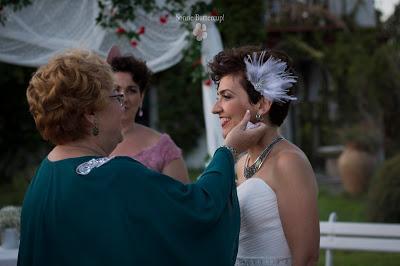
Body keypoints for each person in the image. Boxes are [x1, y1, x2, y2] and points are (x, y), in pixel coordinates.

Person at [17, 48, 268, 266]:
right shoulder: (114, 176)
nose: (122, 105)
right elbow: (198, 210)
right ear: (90, 115)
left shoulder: (45, 174)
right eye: (115, 97)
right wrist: (229, 151)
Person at [209, 46, 320, 266]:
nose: (215, 108)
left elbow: (306, 258)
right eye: (217, 97)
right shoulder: (241, 164)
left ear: (262, 103)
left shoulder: (289, 162)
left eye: (226, 97)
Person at [108, 50, 190, 184]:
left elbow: (183, 200)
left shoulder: (162, 147)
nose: (123, 97)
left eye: (131, 90)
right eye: (116, 89)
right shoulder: (88, 141)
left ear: (142, 97)